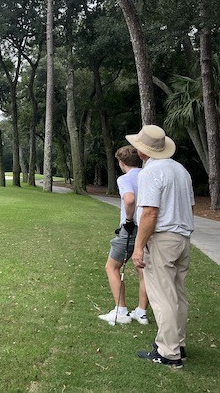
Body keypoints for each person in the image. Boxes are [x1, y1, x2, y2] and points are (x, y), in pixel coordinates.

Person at [127, 125, 194, 369]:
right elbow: (191, 206)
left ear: (143, 150)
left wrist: (138, 247)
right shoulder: (181, 170)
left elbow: (150, 213)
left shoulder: (151, 172)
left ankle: (168, 353)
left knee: (163, 296)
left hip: (163, 239)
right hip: (183, 239)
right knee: (178, 294)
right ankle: (178, 344)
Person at [98, 145, 149, 325]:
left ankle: (121, 311)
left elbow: (129, 199)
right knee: (143, 271)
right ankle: (141, 313)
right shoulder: (147, 175)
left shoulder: (125, 179)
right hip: (148, 228)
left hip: (131, 229)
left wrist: (128, 220)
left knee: (111, 267)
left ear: (121, 162)